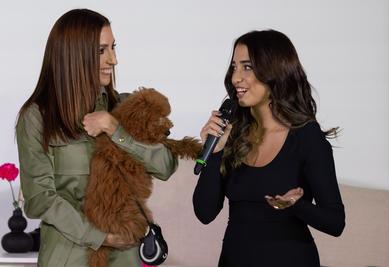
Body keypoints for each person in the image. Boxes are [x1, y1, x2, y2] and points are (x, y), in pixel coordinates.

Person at [15, 9, 177, 267]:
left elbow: (165, 166)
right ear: (74, 54)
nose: (113, 60)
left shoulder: (123, 107)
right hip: (68, 258)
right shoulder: (37, 118)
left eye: (113, 48)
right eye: (102, 50)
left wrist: (117, 130)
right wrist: (102, 237)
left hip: (126, 258)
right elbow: (39, 200)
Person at [193, 30, 345, 267]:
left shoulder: (306, 137)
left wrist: (296, 206)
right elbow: (204, 213)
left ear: (274, 72)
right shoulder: (232, 134)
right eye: (234, 67)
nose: (235, 78)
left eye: (247, 67)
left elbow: (336, 222)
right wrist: (215, 152)